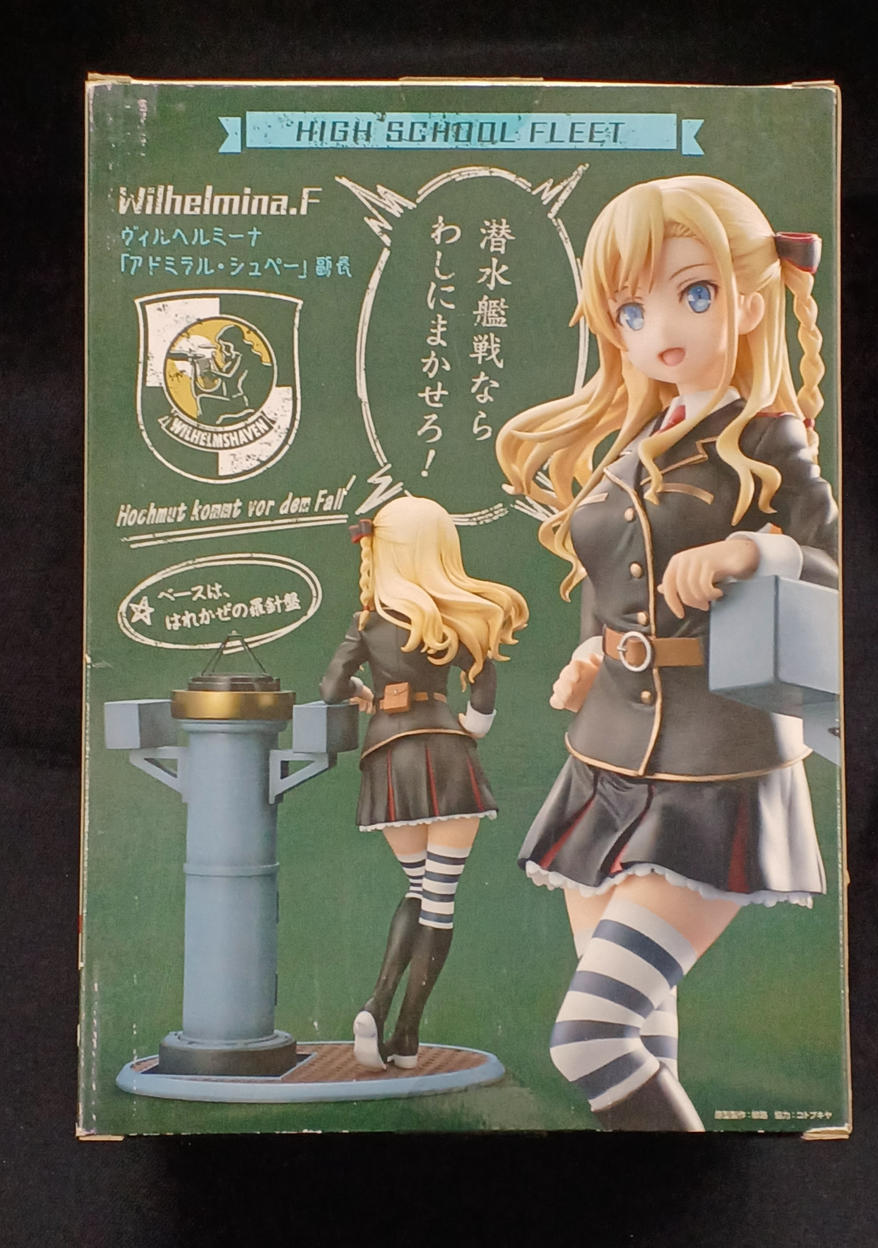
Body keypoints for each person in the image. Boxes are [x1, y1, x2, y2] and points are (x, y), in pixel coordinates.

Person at [496, 175, 838, 1129]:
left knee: (591, 1039)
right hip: (605, 759)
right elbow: (613, 572)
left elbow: (835, 567)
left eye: (693, 293)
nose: (661, 329)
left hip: (715, 766)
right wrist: (593, 654)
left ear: (750, 303)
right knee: (643, 1032)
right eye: (633, 310)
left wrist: (753, 550)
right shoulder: (635, 441)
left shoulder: (768, 437)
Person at [320, 496, 528, 1070]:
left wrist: (365, 692)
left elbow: (331, 686)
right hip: (446, 755)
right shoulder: (453, 619)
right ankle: (405, 1032)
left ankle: (376, 1004)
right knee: (438, 898)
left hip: (387, 761)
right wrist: (473, 726)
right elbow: (482, 681)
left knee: (417, 887)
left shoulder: (367, 622)